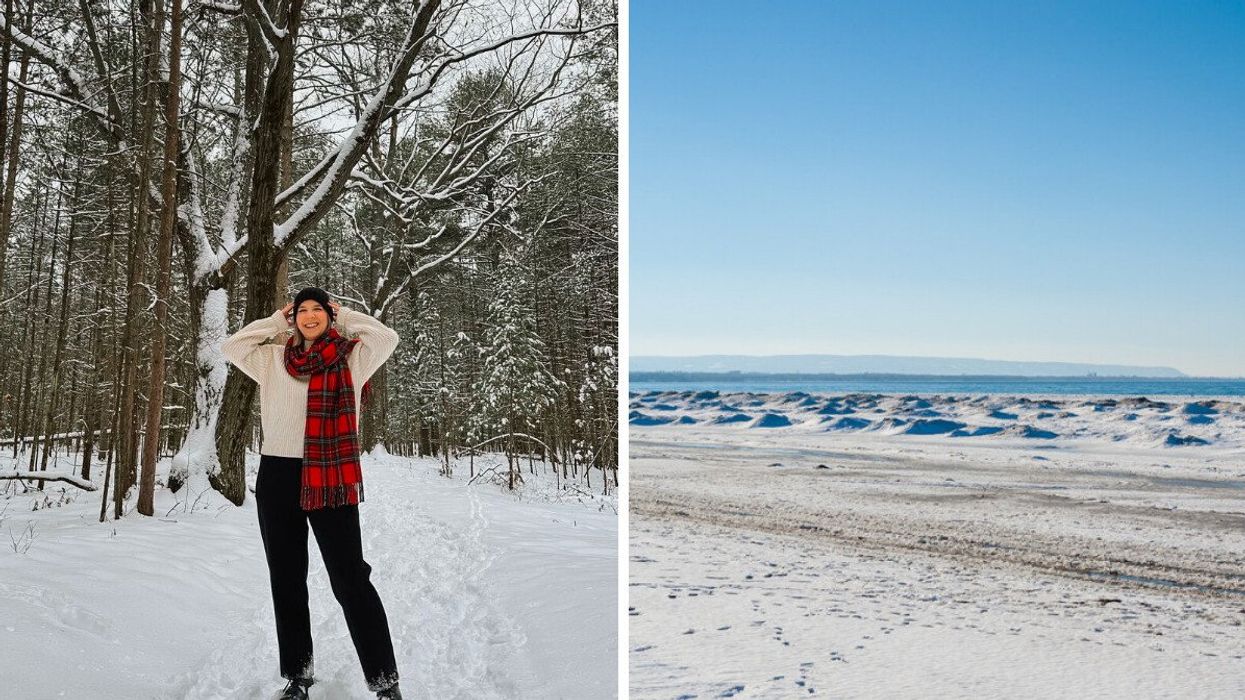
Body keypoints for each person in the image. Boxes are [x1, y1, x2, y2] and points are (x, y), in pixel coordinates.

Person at [221, 286, 402, 700]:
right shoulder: (271, 358)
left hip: (331, 476)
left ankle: (385, 682)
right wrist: (274, 321)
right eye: (301, 310)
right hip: (279, 474)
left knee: (351, 579)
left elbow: (386, 338)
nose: (308, 316)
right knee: (286, 579)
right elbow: (232, 346)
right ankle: (297, 676)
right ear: (293, 317)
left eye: (317, 310)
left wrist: (346, 316)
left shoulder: (353, 357)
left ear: (328, 315)